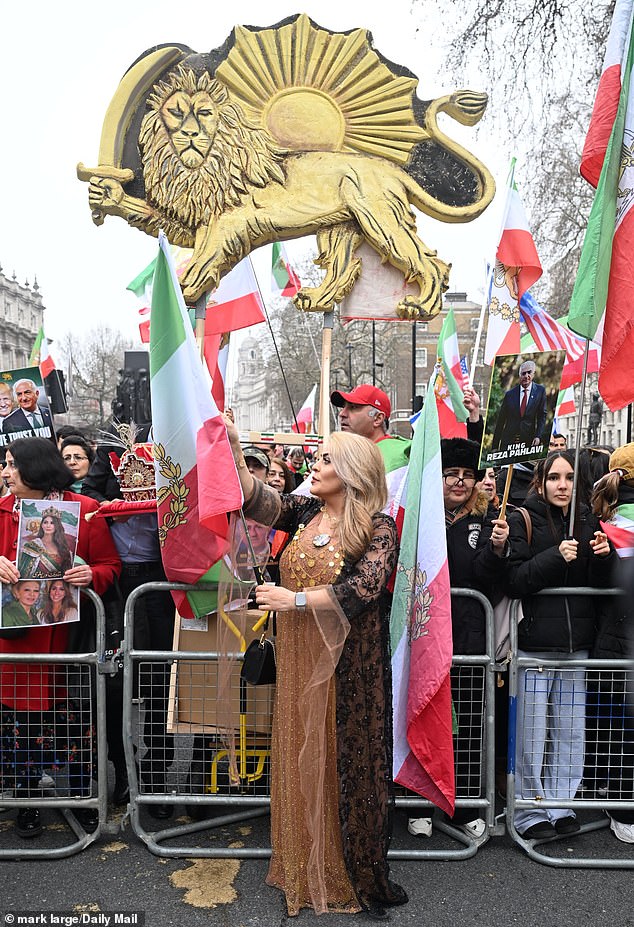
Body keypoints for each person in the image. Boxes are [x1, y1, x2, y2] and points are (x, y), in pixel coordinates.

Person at [225, 414, 407, 918]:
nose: (316, 465)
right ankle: (301, 861)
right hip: (300, 658)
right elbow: (255, 499)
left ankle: (340, 868)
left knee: (336, 759)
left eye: (326, 459)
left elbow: (363, 589)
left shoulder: (379, 527)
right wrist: (236, 444)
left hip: (348, 667)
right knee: (300, 752)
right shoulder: (305, 513)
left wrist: (294, 600)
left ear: (351, 471)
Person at [0, 437, 120, 838]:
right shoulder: (2, 511)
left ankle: (81, 798)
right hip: (16, 640)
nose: (7, 473)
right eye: (6, 464)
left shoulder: (84, 512)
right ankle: (26, 799)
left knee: (75, 721)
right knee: (19, 726)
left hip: (72, 640)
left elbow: (110, 566)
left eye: (14, 465)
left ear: (36, 469)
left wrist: (92, 576)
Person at [506, 450, 615, 839]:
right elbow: (515, 580)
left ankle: (561, 803)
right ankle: (528, 811)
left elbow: (600, 585)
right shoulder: (523, 518)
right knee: (532, 735)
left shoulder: (588, 520)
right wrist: (555, 556)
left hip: (576, 647)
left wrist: (603, 557)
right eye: (554, 477)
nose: (563, 485)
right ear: (540, 481)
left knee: (571, 733)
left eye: (569, 477)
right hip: (535, 646)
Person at [411, 438, 509, 839]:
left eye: (468, 475)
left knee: (469, 722)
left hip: (469, 636)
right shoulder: (419, 518)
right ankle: (417, 802)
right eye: (452, 473)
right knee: (423, 716)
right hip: (425, 635)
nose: (460, 481)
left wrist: (498, 548)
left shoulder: (484, 522)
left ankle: (465, 802)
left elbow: (486, 576)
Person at [588, 443, 634, 843]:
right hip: (624, 637)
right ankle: (622, 805)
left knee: (609, 722)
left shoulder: (603, 523)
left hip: (608, 638)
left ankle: (606, 791)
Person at [492, 359, 547, 453]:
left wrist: (538, 436)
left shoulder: (540, 391)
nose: (526, 376)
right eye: (523, 373)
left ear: (533, 373)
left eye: (529, 372)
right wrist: (495, 446)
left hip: (528, 442)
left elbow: (542, 416)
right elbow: (501, 420)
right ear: (519, 376)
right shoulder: (510, 394)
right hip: (508, 443)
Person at [18, 509, 73, 578]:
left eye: (52, 523)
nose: (48, 526)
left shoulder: (63, 548)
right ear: (41, 525)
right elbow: (24, 573)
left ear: (57, 526)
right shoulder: (31, 546)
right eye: (45, 522)